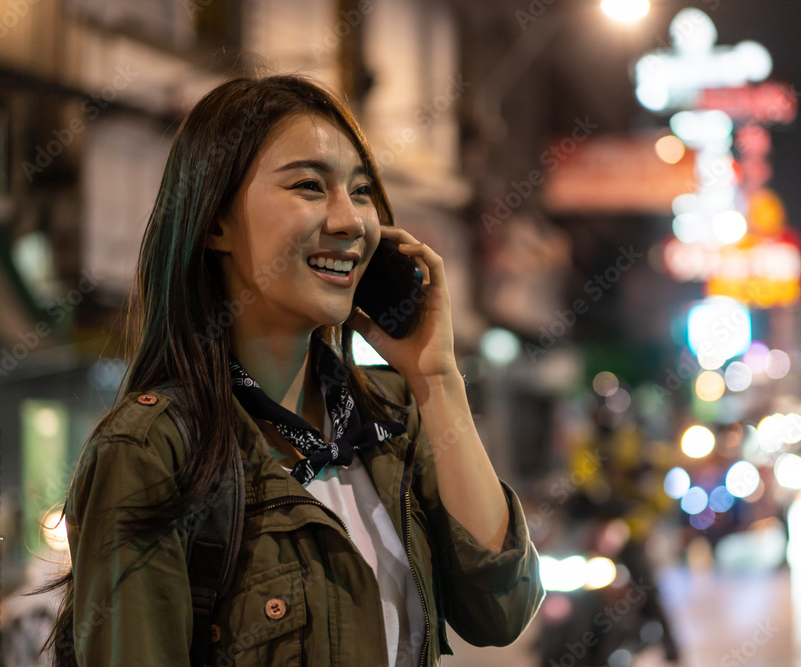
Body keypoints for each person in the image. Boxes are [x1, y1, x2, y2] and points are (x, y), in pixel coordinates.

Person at [42, 74, 545, 666]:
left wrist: (436, 380)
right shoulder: (152, 452)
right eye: (309, 186)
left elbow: (500, 609)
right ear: (215, 223)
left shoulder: (389, 419)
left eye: (360, 191)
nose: (350, 221)